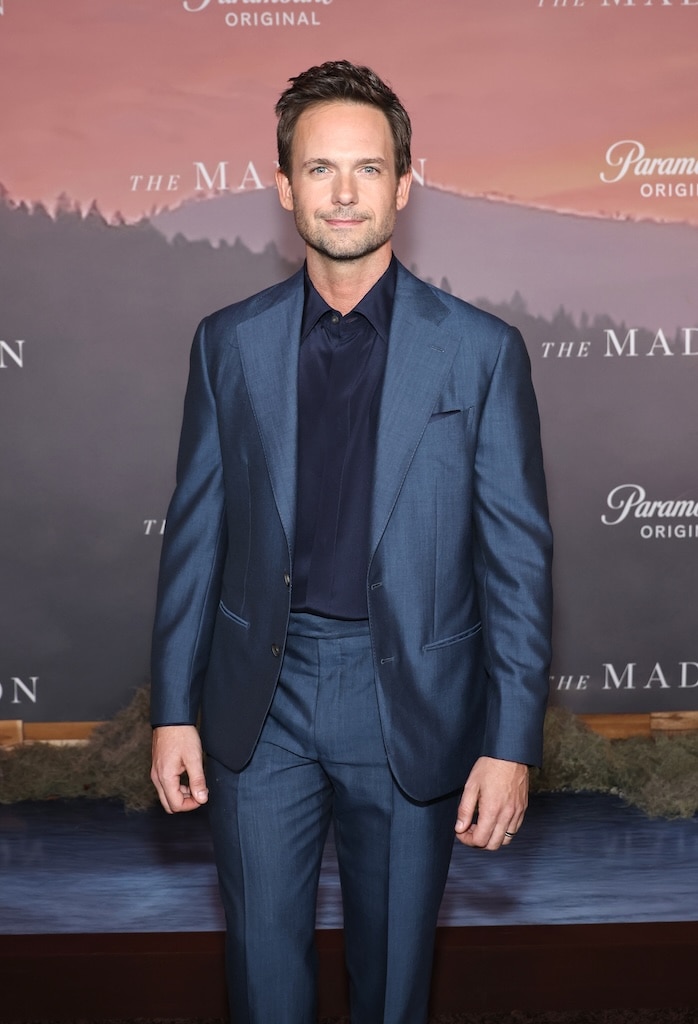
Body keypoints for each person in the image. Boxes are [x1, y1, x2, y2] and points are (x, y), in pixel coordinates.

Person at [150, 59, 553, 1024]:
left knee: (394, 985)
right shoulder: (226, 343)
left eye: (368, 168)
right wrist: (172, 710)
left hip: (410, 699)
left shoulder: (481, 352)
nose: (343, 192)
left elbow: (517, 564)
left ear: (404, 185)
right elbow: (196, 537)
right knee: (262, 983)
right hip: (261, 701)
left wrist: (510, 744)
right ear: (284, 185)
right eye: (319, 168)